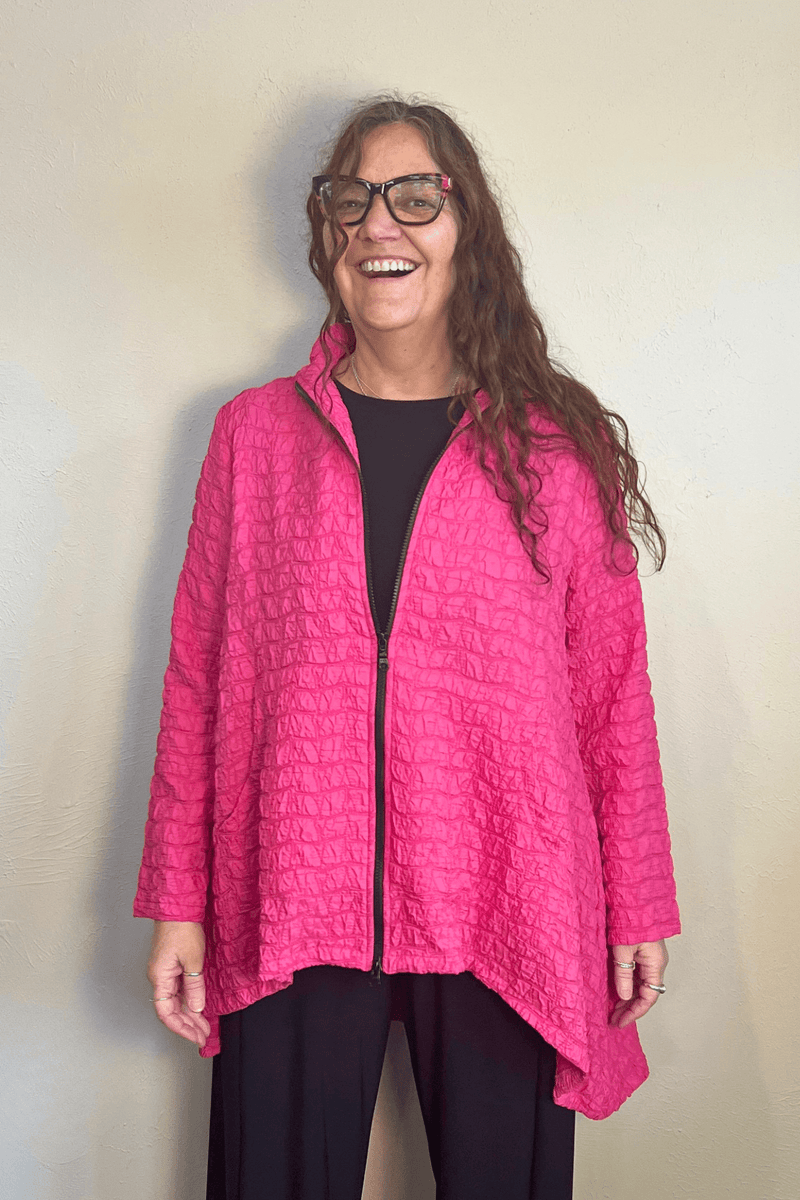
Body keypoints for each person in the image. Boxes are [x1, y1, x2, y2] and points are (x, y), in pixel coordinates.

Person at [134, 94, 681, 1200]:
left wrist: (635, 904)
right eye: (353, 199)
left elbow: (609, 691)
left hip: (506, 885)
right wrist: (180, 903)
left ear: (466, 224)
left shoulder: (555, 445)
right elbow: (198, 681)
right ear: (326, 232)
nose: (379, 223)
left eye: (416, 196)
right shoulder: (252, 437)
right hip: (292, 886)